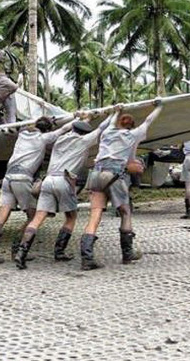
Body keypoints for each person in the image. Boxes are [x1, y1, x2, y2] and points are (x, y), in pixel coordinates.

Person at [14, 112, 115, 270]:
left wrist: (84, 118)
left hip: (47, 181)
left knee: (38, 217)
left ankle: (21, 253)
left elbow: (70, 127)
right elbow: (102, 128)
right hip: (64, 180)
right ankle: (59, 251)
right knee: (71, 216)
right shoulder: (83, 141)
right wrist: (114, 113)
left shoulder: (59, 140)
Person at [81, 100, 163, 270]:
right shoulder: (133, 135)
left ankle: (87, 257)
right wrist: (159, 106)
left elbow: (111, 121)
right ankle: (127, 254)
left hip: (96, 173)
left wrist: (117, 110)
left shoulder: (107, 131)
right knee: (125, 212)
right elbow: (148, 121)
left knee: (95, 214)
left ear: (118, 123)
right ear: (132, 126)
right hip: (115, 175)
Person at [0, 114, 76, 265]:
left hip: (8, 178)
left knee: (2, 215)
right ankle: (17, 249)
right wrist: (78, 118)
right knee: (33, 217)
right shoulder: (43, 139)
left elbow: (29, 126)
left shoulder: (21, 136)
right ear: (46, 130)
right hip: (22, 178)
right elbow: (65, 129)